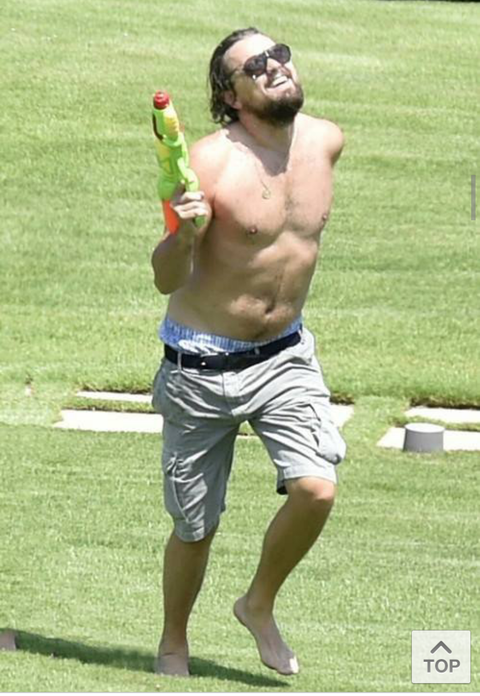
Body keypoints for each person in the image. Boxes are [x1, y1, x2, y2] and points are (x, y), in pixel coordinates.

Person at [151, 27, 347, 678]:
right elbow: (166, 278)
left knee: (316, 490)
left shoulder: (325, 141)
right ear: (230, 96)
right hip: (200, 366)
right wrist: (184, 235)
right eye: (255, 65)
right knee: (195, 526)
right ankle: (173, 643)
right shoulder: (207, 164)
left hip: (284, 356)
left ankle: (257, 603)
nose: (275, 67)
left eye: (279, 54)